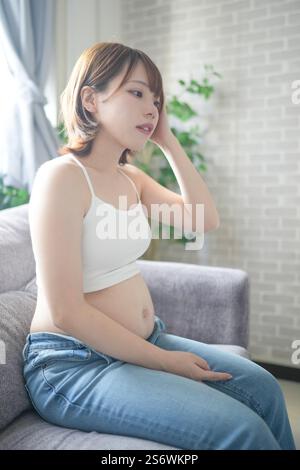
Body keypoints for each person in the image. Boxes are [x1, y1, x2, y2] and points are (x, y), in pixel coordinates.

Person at [22, 42, 296, 450]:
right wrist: (168, 363)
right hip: (74, 364)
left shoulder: (130, 178)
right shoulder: (61, 177)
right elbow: (66, 311)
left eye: (156, 99)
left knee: (264, 388)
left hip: (145, 341)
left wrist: (168, 141)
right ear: (91, 99)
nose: (152, 107)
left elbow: (203, 219)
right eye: (136, 93)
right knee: (243, 430)